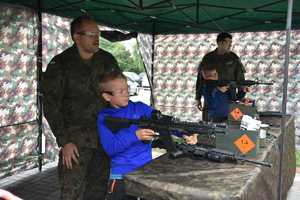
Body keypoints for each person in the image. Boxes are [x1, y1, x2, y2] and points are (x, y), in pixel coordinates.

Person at [42, 15, 121, 200]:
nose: (97, 39)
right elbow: (51, 106)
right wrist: (65, 141)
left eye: (98, 34)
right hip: (76, 144)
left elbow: (119, 94)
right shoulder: (60, 64)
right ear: (76, 37)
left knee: (98, 191)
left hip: (104, 140)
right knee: (72, 193)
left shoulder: (107, 60)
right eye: (92, 34)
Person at [96, 71, 198, 200]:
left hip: (145, 171)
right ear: (107, 96)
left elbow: (163, 122)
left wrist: (184, 132)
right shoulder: (105, 117)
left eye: (127, 88)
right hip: (122, 175)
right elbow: (111, 149)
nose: (126, 93)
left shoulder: (140, 108)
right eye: (120, 91)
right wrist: (135, 136)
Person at [195, 32, 247, 121]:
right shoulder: (208, 58)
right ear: (220, 43)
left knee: (232, 123)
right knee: (210, 123)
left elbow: (240, 77)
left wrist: (242, 92)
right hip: (212, 97)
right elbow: (200, 79)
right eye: (228, 42)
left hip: (229, 96)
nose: (230, 45)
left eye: (231, 42)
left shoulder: (233, 57)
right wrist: (198, 97)